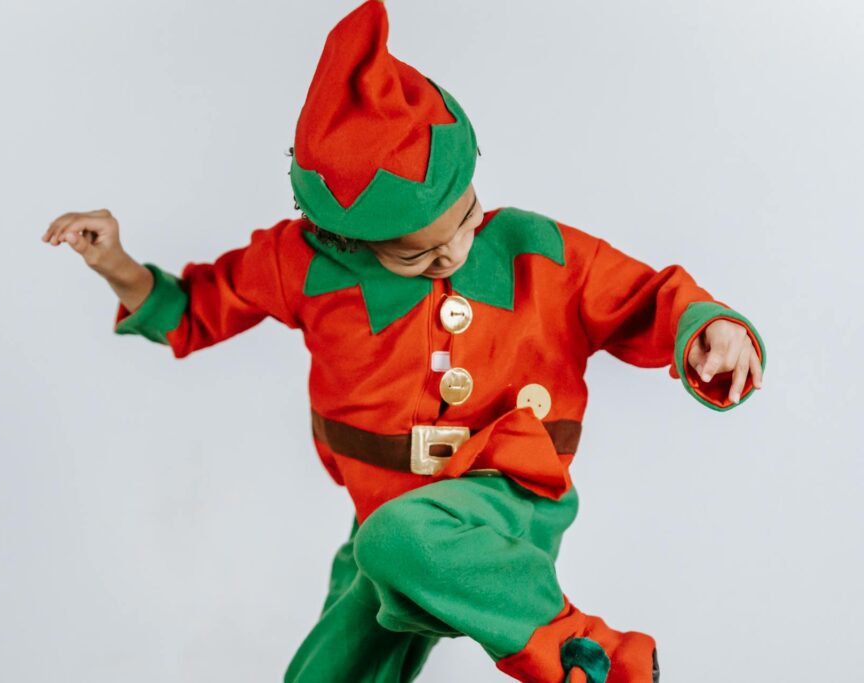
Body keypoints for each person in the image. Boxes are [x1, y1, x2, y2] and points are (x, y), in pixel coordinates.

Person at [41, 2, 766, 681]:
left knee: (396, 540)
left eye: (466, 217)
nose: (452, 252)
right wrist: (117, 264)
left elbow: (642, 294)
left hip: (507, 491)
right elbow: (196, 307)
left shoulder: (532, 250)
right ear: (341, 235)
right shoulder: (305, 265)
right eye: (416, 254)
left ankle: (588, 655)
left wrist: (708, 328)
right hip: (382, 506)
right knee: (331, 660)